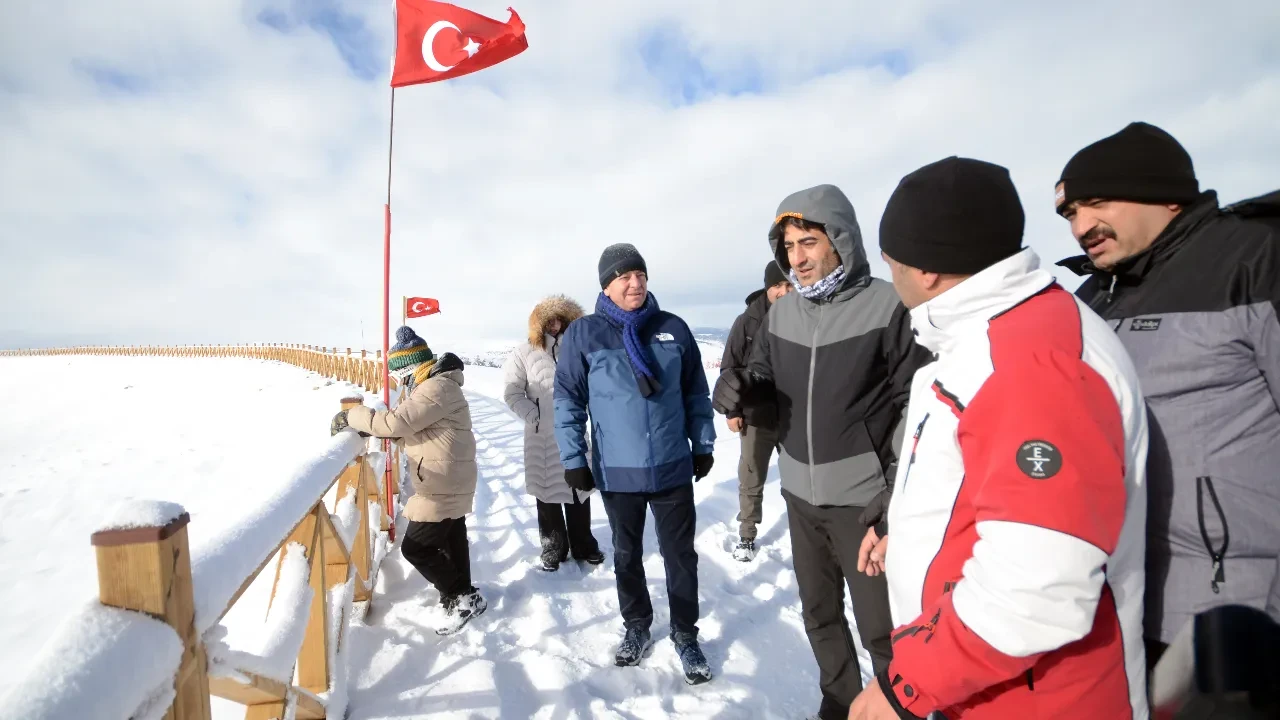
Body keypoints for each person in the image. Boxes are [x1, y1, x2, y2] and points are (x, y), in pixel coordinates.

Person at [848, 156, 1149, 719]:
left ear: (927, 269)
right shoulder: (986, 338)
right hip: (983, 682)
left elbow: (1039, 583)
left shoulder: (1031, 362)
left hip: (1037, 698)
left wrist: (908, 687)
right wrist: (916, 537)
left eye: (892, 261)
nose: (892, 277)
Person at [1053, 121, 1280, 664]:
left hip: (1242, 606)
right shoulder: (1093, 296)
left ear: (1162, 194)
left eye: (1097, 203)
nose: (1082, 226)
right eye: (1071, 213)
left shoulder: (1255, 258)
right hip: (1125, 597)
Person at [712, 184, 931, 720]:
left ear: (840, 239)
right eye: (788, 247)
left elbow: (916, 402)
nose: (797, 258)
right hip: (799, 495)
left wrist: (895, 493)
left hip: (865, 502)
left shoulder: (887, 306)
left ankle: (896, 706)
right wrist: (743, 388)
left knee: (882, 627)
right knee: (819, 613)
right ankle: (839, 701)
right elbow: (765, 378)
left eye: (808, 243)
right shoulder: (782, 314)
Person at [554, 243, 717, 684]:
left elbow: (695, 392)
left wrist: (703, 443)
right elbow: (567, 400)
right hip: (617, 471)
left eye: (641, 275)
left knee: (680, 556)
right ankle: (637, 625)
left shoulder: (672, 328)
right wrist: (574, 458)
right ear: (606, 285)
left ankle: (686, 633)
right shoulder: (585, 334)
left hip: (671, 466)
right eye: (624, 276)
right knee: (627, 555)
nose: (635, 283)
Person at [330, 326, 485, 636]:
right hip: (451, 476)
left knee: (416, 547)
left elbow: (395, 422)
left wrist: (352, 417)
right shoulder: (439, 385)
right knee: (452, 539)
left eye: (399, 375)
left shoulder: (434, 388)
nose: (399, 382)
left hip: (442, 481)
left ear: (410, 368)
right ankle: (464, 595)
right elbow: (419, 431)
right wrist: (388, 434)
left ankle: (459, 596)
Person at [502, 294, 605, 571]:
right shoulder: (523, 353)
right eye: (550, 320)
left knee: (578, 488)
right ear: (539, 324)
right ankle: (553, 546)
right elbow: (512, 392)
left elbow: (593, 385)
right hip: (542, 434)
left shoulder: (577, 349)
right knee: (547, 491)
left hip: (575, 429)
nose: (555, 325)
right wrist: (535, 415)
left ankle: (584, 544)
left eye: (561, 319)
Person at [719, 260, 792, 561]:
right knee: (751, 478)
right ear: (767, 288)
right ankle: (747, 535)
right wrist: (732, 411)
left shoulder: (805, 315)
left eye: (789, 285)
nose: (784, 291)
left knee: (799, 480)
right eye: (777, 285)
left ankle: (806, 533)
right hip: (756, 414)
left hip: (793, 416)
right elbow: (730, 369)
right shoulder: (747, 322)